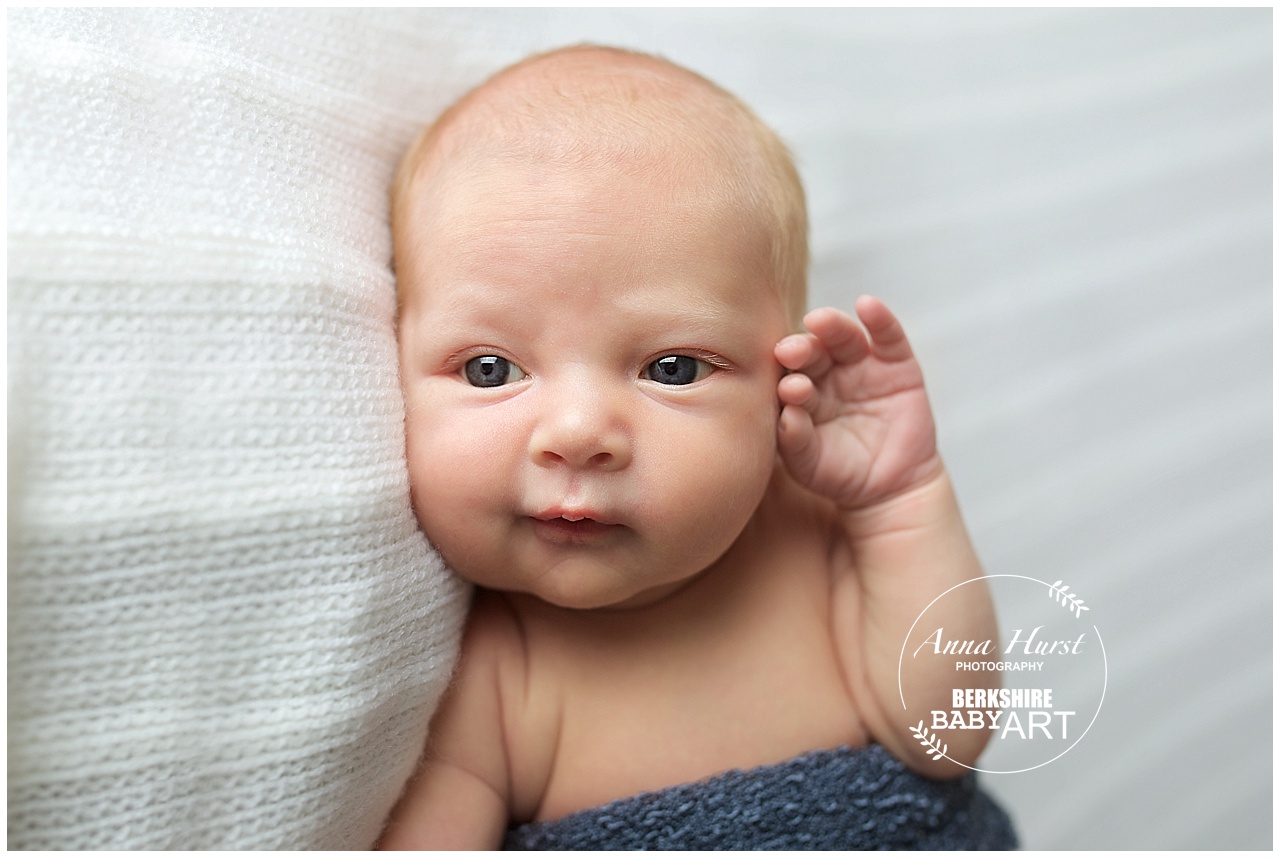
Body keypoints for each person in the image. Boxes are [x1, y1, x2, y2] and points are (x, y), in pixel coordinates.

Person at [380, 44, 1014, 850]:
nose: (577, 433)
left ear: (779, 380)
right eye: (490, 369)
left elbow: (948, 737)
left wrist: (901, 500)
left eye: (671, 369)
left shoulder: (809, 535)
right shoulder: (492, 675)